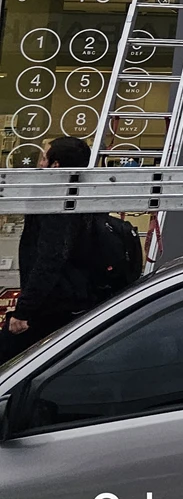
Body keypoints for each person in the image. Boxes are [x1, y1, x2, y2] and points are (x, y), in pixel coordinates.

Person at [0, 137, 102, 363]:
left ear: (56, 164)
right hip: (69, 299)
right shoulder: (81, 194)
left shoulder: (56, 203)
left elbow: (50, 258)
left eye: (44, 158)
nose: (40, 163)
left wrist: (24, 310)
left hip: (52, 304)